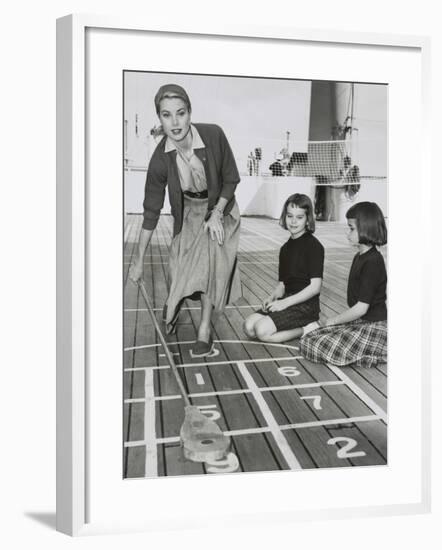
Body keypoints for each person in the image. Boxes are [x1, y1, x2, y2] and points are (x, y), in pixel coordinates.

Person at [129, 84, 242, 357]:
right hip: (189, 212)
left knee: (209, 260)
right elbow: (151, 212)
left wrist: (216, 214)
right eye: (167, 115)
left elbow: (231, 178)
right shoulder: (160, 158)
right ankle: (175, 299)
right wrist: (138, 259)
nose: (175, 122)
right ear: (160, 119)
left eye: (180, 113)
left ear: (190, 113)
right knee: (178, 267)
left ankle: (204, 328)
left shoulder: (213, 135)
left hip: (221, 209)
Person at [300, 201, 387, 368]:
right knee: (309, 339)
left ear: (366, 228)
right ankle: (363, 352)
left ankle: (376, 352)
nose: (348, 233)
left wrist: (335, 320)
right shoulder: (359, 256)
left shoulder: (374, 261)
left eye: (351, 228)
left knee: (315, 346)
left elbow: (361, 308)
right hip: (360, 323)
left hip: (373, 326)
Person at [243, 194, 324, 343]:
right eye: (289, 216)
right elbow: (282, 285)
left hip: (305, 307)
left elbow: (315, 287)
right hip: (287, 300)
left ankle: (306, 329)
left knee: (262, 331)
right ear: (284, 216)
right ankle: (292, 324)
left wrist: (283, 304)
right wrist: (272, 297)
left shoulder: (314, 246)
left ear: (307, 220)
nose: (293, 221)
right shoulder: (285, 249)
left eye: (299, 217)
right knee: (248, 327)